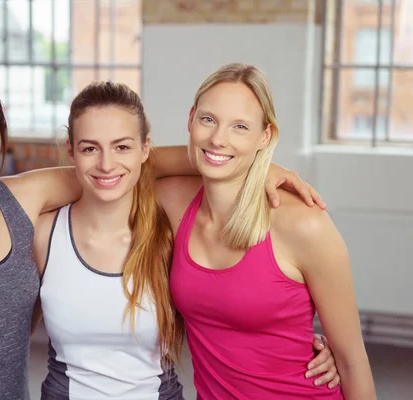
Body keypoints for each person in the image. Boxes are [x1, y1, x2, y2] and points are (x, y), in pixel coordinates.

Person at [0, 79, 339, 399]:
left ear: (146, 148)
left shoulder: (169, 226)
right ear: (71, 151)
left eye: (123, 147)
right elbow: (2, 318)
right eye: (90, 148)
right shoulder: (44, 232)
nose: (106, 163)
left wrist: (262, 167)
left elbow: (230, 304)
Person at [155, 63, 375, 399]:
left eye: (240, 127)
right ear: (191, 119)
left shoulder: (305, 224)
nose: (218, 137)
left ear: (266, 136)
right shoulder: (174, 201)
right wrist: (252, 160)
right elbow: (130, 164)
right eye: (208, 119)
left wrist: (248, 160)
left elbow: (351, 361)